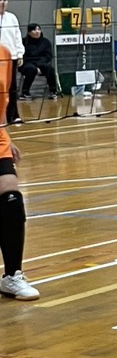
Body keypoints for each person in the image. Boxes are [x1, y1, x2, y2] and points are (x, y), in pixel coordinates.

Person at [0, 43, 38, 301]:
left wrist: (6, 136)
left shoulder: (3, 54)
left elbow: (1, 103)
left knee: (11, 196)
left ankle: (12, 275)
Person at [0, 0, 24, 126]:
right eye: (0, 0)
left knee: (12, 88)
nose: (3, 2)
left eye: (5, 0)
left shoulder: (12, 18)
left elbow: (17, 37)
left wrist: (20, 54)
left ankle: (13, 116)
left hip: (11, 58)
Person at [19, 25, 59, 100]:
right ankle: (25, 93)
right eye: (34, 30)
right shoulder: (23, 42)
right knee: (31, 69)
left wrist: (39, 66)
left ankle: (53, 92)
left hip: (41, 63)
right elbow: (23, 56)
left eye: (38, 29)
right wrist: (36, 67)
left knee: (49, 69)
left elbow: (48, 56)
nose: (37, 32)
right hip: (27, 64)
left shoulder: (45, 42)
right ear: (29, 32)